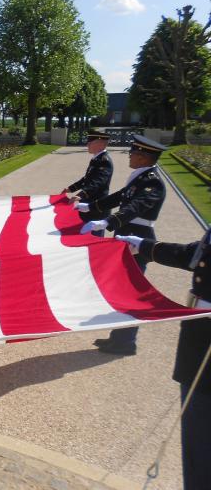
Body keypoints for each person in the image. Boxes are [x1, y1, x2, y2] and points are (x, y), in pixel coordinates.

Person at [115, 231, 211, 489]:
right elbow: (195, 256)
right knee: (195, 435)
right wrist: (145, 246)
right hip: (199, 335)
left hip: (205, 341)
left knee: (202, 438)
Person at [75, 134, 167, 355]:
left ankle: (126, 342)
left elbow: (135, 206)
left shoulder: (152, 181)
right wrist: (91, 206)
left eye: (133, 153)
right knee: (120, 288)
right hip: (127, 233)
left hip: (137, 237)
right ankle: (118, 338)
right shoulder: (142, 177)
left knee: (131, 292)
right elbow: (120, 196)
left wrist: (108, 220)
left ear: (144, 158)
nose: (130, 156)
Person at [64, 129, 113, 236]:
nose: (88, 144)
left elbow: (97, 182)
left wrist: (80, 195)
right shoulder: (96, 159)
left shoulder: (104, 161)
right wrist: (70, 188)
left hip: (97, 209)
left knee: (93, 240)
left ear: (101, 144)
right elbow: (86, 179)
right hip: (88, 206)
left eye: (91, 142)